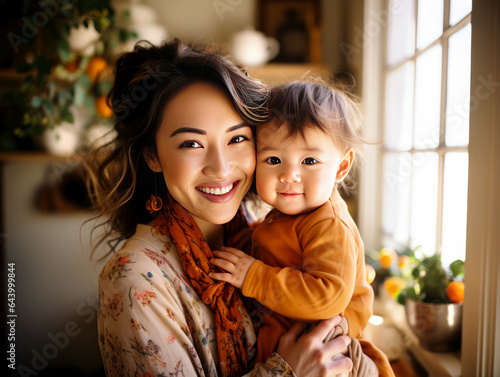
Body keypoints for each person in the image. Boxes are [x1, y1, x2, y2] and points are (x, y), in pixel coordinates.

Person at [87, 39, 354, 377]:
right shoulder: (135, 280)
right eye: (191, 144)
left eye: (237, 138)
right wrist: (287, 372)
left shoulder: (258, 228)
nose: (222, 167)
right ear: (152, 156)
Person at [209, 81, 395, 376]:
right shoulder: (284, 215)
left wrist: (252, 275)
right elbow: (277, 244)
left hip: (333, 353)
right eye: (273, 160)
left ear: (341, 167)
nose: (289, 175)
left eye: (309, 160)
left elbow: (326, 296)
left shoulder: (328, 224)